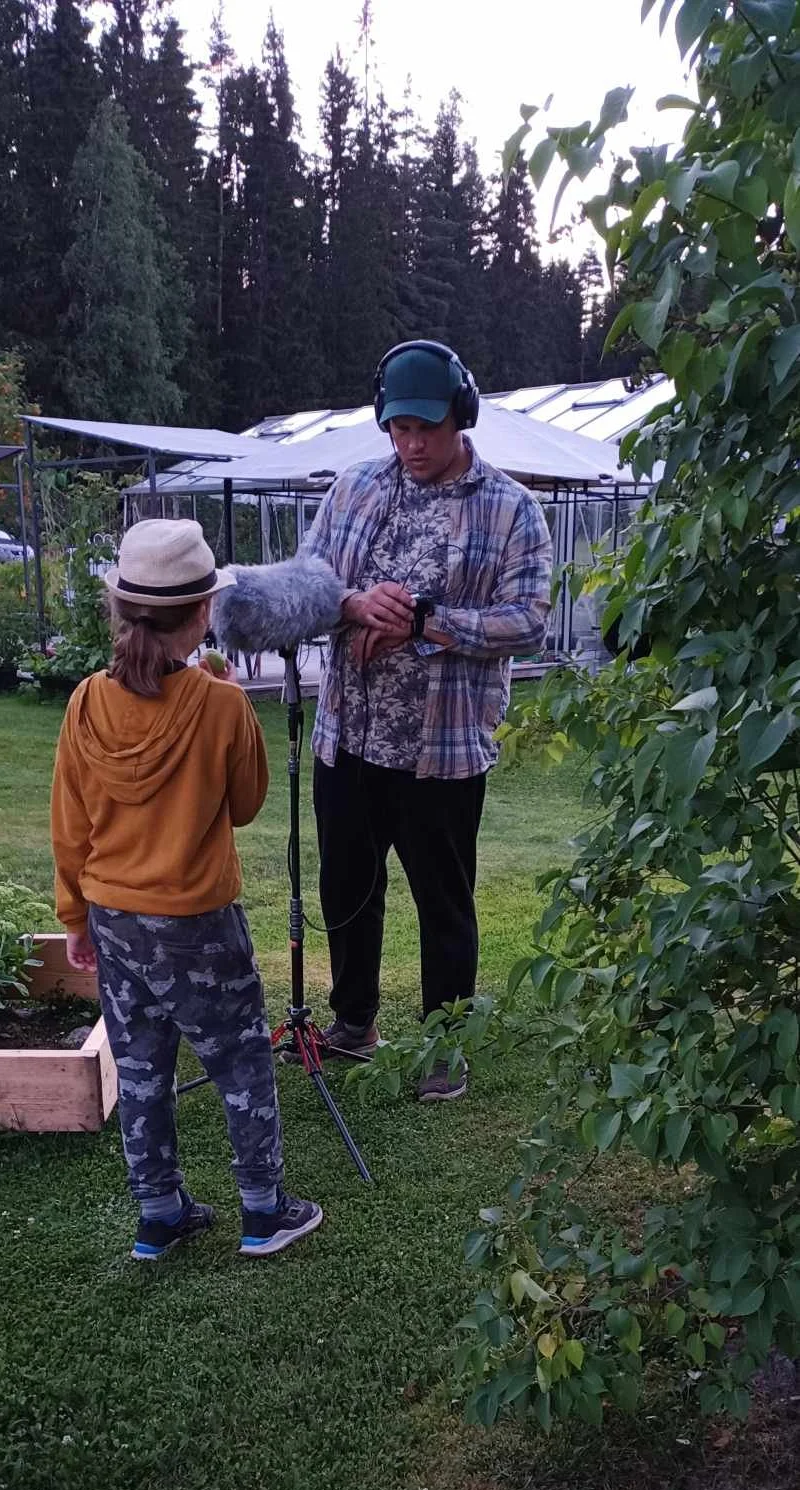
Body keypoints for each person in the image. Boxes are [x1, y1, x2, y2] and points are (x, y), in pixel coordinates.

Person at [50, 518, 322, 1262]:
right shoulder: (221, 705)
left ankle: (159, 1214)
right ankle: (263, 1210)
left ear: (119, 609)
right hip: (199, 922)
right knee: (240, 1061)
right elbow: (246, 804)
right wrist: (232, 706)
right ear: (203, 613)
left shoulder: (85, 702)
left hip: (114, 918)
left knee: (140, 1068)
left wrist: (73, 917)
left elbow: (69, 824)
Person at [304, 339, 553, 1101]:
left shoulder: (511, 507)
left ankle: (446, 1048)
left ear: (461, 417)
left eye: (427, 429)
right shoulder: (352, 488)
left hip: (442, 750)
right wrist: (352, 604)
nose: (412, 444)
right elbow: (305, 584)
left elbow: (529, 620)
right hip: (348, 737)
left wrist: (426, 622)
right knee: (346, 887)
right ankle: (353, 1023)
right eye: (399, 428)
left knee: (444, 902)